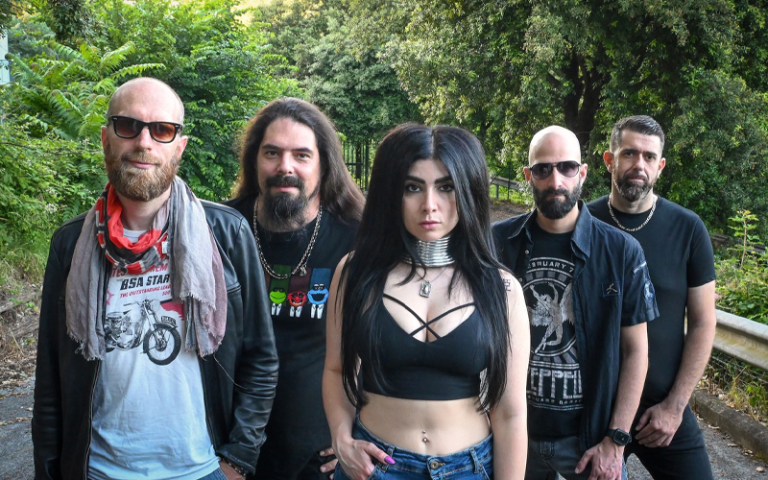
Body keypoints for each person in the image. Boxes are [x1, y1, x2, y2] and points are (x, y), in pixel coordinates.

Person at [32, 77, 279, 480]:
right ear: (106, 139)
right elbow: (50, 383)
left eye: (162, 129)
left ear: (179, 146)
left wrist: (238, 458)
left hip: (203, 470)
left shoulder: (226, 234)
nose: (144, 142)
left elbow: (261, 359)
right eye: (128, 125)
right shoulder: (69, 244)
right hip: (100, 471)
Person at [323, 124, 530, 480]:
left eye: (446, 187)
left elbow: (510, 413)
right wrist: (341, 438)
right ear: (391, 193)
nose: (429, 205)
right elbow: (336, 369)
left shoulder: (503, 289)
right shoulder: (356, 272)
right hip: (372, 467)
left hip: (468, 470)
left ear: (468, 191)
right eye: (412, 187)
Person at [493, 126, 656, 480]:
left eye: (566, 167)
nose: (556, 181)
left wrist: (616, 439)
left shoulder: (621, 252)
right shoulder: (498, 243)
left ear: (582, 173)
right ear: (528, 176)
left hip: (589, 441)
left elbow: (636, 352)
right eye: (543, 169)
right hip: (511, 433)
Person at [226, 97, 365, 479]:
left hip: (317, 456)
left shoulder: (356, 238)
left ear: (324, 165)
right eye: (272, 153)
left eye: (301, 155)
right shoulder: (221, 229)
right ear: (254, 160)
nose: (285, 167)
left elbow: (383, 344)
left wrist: (358, 430)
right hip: (228, 448)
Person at [588, 115, 717, 480]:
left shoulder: (688, 229)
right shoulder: (583, 223)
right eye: (629, 153)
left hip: (662, 409)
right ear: (609, 160)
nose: (639, 165)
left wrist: (675, 406)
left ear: (660, 166)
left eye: (649, 157)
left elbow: (704, 322)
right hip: (595, 411)